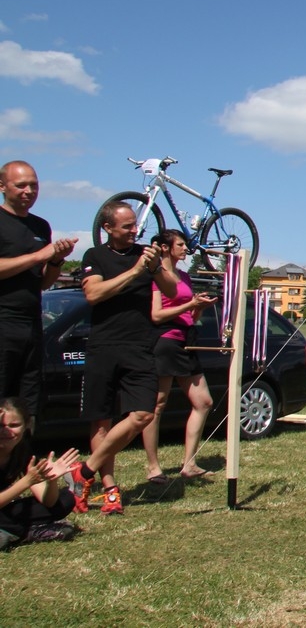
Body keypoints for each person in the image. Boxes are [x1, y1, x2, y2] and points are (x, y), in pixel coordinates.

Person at [67, 201, 178, 515]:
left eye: (135, 225)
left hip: (139, 347)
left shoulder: (146, 255)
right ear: (108, 228)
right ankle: (110, 489)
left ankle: (84, 471)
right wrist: (135, 271)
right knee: (101, 419)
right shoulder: (95, 256)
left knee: (142, 414)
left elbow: (171, 290)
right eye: (127, 226)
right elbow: (94, 294)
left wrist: (155, 267)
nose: (134, 230)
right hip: (103, 346)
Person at [0, 161, 78, 427]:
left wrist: (55, 260)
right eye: (21, 185)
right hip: (4, 322)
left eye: (33, 185)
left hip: (31, 323)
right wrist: (38, 256)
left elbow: (43, 282)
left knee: (26, 402)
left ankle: (23, 452)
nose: (29, 191)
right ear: (2, 186)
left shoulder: (40, 226)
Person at [141, 230, 216, 483]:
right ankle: (153, 467)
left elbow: (190, 315)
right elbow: (156, 315)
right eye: (181, 245)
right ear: (165, 247)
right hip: (165, 341)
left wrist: (198, 308)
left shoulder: (184, 276)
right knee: (157, 405)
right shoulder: (157, 275)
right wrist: (189, 304)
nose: (186, 249)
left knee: (203, 402)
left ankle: (189, 464)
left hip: (187, 340)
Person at [0, 397, 79, 548]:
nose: (6, 431)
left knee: (65, 499)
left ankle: (13, 532)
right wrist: (26, 482)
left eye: (14, 425)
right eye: (0, 425)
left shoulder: (22, 452)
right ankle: (26, 533)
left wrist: (51, 480)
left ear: (26, 425)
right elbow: (27, 481)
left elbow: (48, 502)